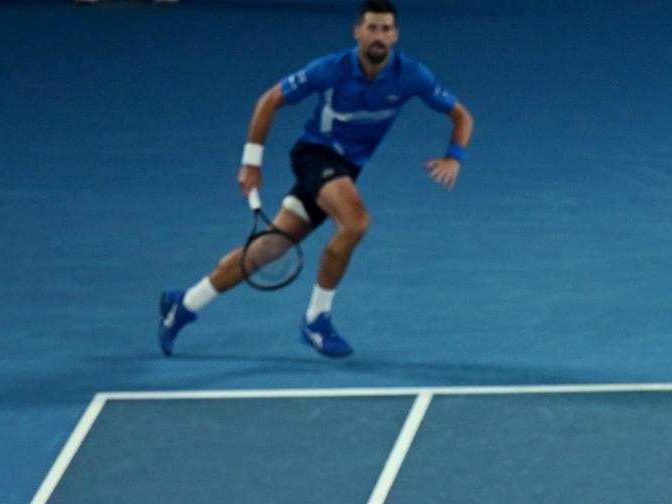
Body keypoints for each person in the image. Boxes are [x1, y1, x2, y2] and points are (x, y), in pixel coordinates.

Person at [157, 0, 473, 358]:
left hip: (346, 168)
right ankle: (317, 318)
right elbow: (268, 101)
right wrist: (251, 163)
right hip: (315, 156)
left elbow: (462, 116)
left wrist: (454, 157)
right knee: (355, 223)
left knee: (269, 249)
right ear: (357, 31)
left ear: (396, 35)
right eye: (371, 28)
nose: (379, 36)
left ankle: (183, 304)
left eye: (386, 29)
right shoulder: (330, 69)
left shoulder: (412, 75)